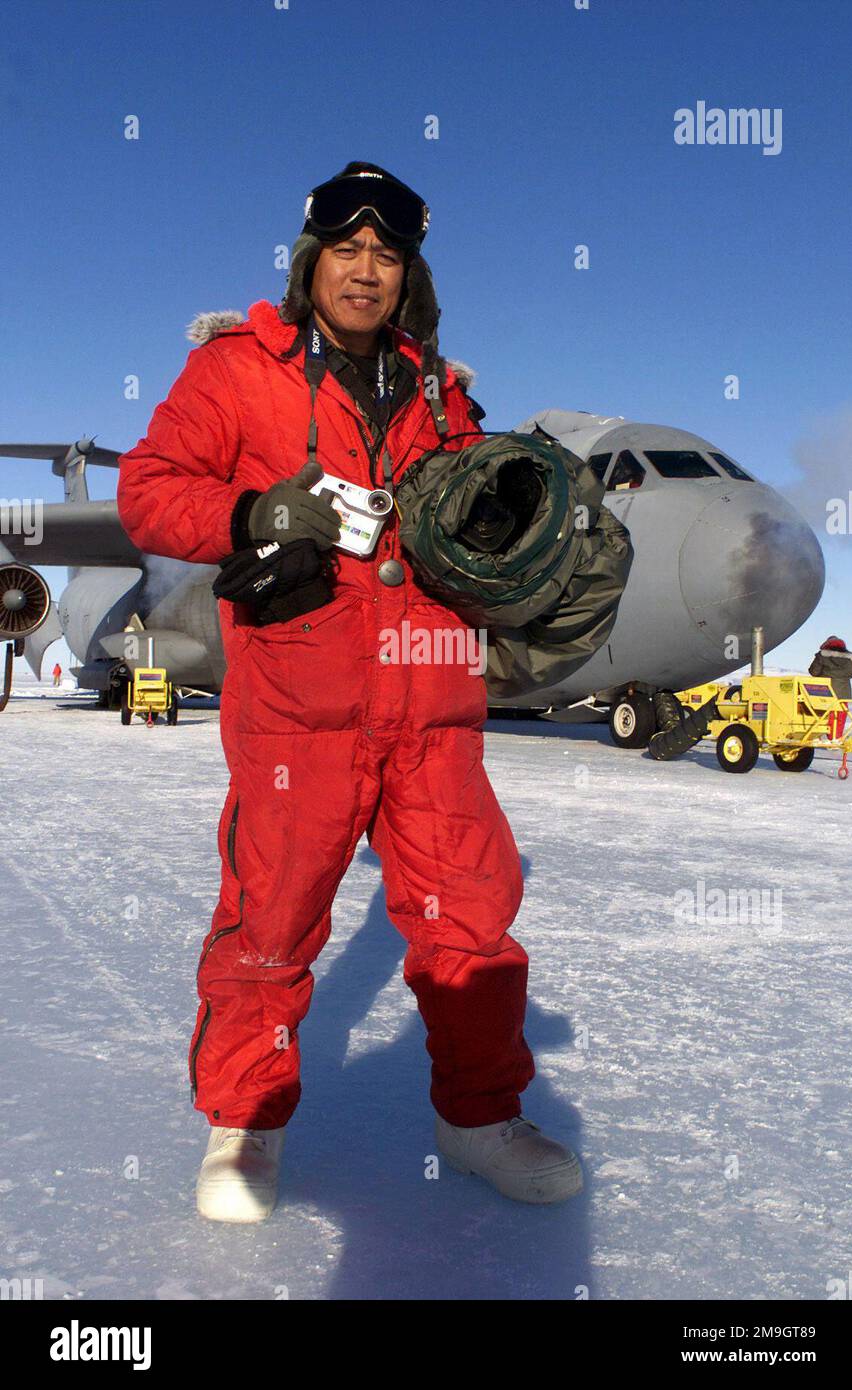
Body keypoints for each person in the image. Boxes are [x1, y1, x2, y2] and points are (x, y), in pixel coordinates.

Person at [116, 162, 582, 1222]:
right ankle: (246, 1124)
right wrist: (254, 516)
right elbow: (148, 493)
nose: (365, 271)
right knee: (271, 920)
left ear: (405, 272)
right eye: (346, 250)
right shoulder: (238, 372)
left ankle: (476, 1122)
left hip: (431, 708)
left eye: (386, 254)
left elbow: (471, 513)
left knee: (469, 923)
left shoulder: (437, 387)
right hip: (298, 710)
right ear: (310, 261)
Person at [809, 635, 852, 739]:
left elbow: (813, 671)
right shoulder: (851, 658)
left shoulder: (822, 656)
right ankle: (835, 738)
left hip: (824, 692)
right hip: (843, 693)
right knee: (840, 716)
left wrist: (826, 673)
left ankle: (817, 736)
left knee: (822, 715)